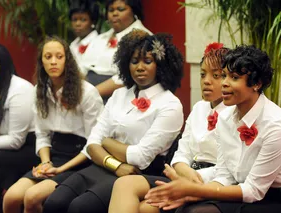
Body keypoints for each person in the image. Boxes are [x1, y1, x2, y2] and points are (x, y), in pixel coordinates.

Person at [144, 45, 281, 213]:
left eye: (234, 77)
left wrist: (193, 190)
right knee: (184, 207)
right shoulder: (226, 118)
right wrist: (191, 194)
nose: (224, 83)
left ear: (257, 83)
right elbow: (225, 174)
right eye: (224, 75)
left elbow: (254, 190)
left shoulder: (278, 126)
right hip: (241, 189)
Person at [43, 30, 184, 213]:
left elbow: (140, 158)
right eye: (134, 61)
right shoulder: (119, 94)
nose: (139, 67)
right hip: (104, 167)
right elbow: (92, 143)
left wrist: (106, 142)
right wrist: (115, 164)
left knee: (80, 208)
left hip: (137, 175)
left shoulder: (170, 104)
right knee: (54, 203)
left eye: (147, 61)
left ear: (161, 65)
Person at [108, 42, 230, 213]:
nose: (206, 81)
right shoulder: (199, 108)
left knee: (147, 208)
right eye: (202, 75)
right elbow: (181, 152)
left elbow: (231, 167)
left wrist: (192, 179)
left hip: (214, 182)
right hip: (184, 174)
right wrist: (183, 170)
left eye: (216, 76)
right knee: (124, 183)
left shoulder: (235, 114)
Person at [2, 36, 103, 213]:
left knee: (32, 197)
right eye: (48, 57)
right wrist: (46, 162)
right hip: (53, 155)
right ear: (42, 62)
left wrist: (61, 168)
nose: (53, 62)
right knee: (11, 197)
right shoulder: (39, 90)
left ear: (68, 60)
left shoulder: (87, 92)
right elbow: (42, 134)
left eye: (59, 56)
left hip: (80, 159)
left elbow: (94, 142)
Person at [0, 42, 37, 213]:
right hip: (1, 147)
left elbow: (16, 141)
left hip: (27, 149)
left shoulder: (20, 89)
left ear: (4, 64)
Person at [81, 0, 152, 103]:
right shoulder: (100, 38)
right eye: (111, 10)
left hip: (118, 96)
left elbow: (126, 77)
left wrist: (92, 93)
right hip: (87, 92)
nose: (114, 13)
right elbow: (82, 67)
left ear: (134, 11)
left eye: (120, 9)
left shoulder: (142, 37)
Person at [69, 0, 99, 75]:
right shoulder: (73, 44)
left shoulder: (99, 43)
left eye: (83, 20)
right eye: (74, 20)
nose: (77, 24)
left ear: (93, 22)